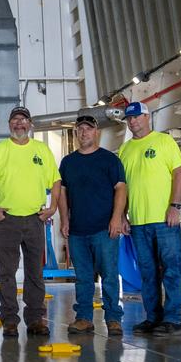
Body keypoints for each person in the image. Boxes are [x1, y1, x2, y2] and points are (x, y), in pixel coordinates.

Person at [0, 104, 62, 337]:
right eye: (15, 120)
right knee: (6, 272)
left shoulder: (42, 150)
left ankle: (35, 318)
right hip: (6, 219)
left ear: (30, 124)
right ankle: (9, 319)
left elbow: (56, 181)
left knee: (34, 272)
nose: (19, 124)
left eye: (23, 120)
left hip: (34, 219)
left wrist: (53, 208)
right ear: (9, 124)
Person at [117, 102, 181, 336]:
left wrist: (175, 207)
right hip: (138, 222)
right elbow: (123, 187)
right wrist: (124, 215)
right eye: (129, 118)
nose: (133, 121)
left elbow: (178, 173)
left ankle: (173, 319)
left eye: (137, 116)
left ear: (147, 117)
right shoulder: (125, 150)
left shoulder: (164, 141)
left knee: (171, 268)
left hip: (164, 220)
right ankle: (153, 318)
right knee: (147, 272)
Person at [57, 114, 128, 336]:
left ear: (96, 132)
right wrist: (65, 220)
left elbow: (121, 189)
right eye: (80, 129)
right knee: (83, 277)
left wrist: (117, 218)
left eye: (88, 129)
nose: (84, 132)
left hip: (104, 229)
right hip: (78, 230)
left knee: (109, 275)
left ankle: (114, 319)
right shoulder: (68, 162)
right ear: (76, 133)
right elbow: (62, 193)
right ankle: (84, 318)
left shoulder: (109, 160)